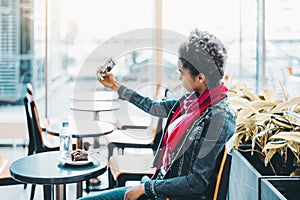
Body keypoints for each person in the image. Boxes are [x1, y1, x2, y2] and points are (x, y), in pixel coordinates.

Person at [79, 29, 236, 200]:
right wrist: (115, 85)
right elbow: (154, 107)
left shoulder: (219, 118)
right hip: (160, 187)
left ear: (200, 78)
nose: (179, 77)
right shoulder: (193, 102)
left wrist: (146, 188)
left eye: (181, 73)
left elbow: (196, 183)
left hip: (165, 194)